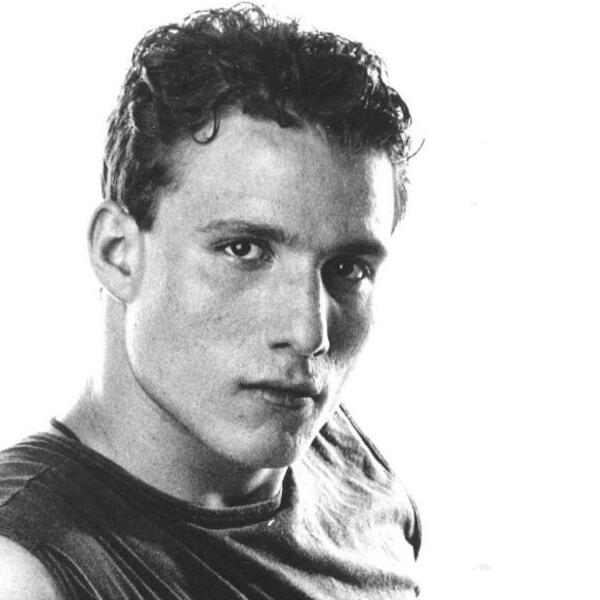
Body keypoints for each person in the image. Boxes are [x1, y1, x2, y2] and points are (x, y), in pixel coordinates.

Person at [0, 5, 421, 599]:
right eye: (243, 249)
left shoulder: (348, 467)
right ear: (119, 253)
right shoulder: (24, 569)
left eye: (347, 269)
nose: (309, 333)